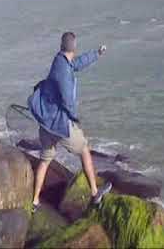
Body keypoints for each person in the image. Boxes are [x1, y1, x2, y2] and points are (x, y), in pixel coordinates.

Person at [28, 32, 112, 212]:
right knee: (84, 150)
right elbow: (67, 100)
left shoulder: (59, 61)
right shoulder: (64, 71)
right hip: (59, 125)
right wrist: (74, 117)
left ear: (61, 46)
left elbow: (77, 63)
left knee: (45, 160)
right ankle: (95, 193)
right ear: (74, 47)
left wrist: (97, 54)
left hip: (46, 123)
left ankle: (34, 202)